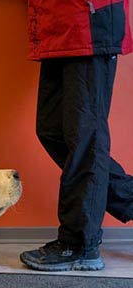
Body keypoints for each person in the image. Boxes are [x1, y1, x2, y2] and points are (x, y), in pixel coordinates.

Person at [20, 1, 133, 272]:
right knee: (53, 130)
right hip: (56, 26)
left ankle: (80, 244)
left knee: (86, 138)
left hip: (88, 22)